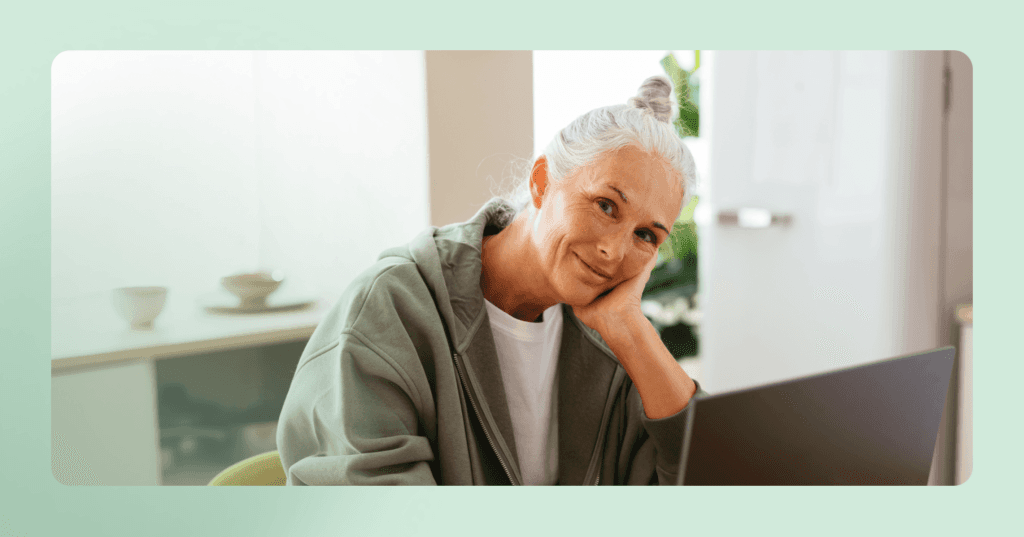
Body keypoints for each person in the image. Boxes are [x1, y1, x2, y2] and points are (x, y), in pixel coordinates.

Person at [277, 76, 706, 485]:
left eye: (646, 235)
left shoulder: (608, 342)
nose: (614, 251)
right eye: (606, 206)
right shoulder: (389, 310)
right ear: (542, 182)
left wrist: (633, 333)